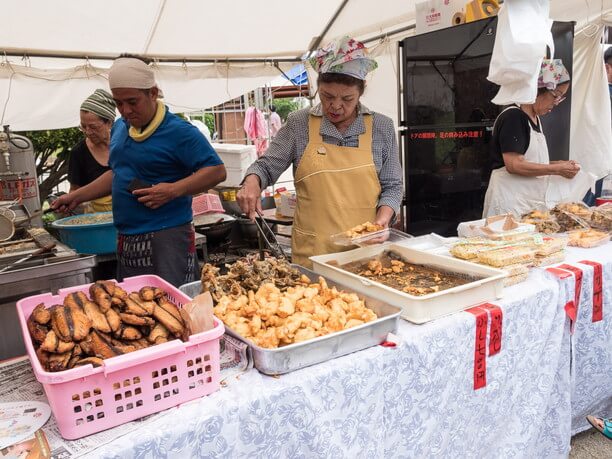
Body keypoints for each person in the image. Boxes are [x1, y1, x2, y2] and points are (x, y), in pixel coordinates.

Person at [52, 56, 226, 286]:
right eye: (119, 103)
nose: (125, 110)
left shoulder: (179, 132)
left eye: (133, 102)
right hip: (127, 237)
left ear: (152, 93)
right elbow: (118, 173)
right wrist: (76, 196)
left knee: (173, 306)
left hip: (168, 236)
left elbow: (217, 171)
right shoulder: (121, 129)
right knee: (136, 306)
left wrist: (173, 190)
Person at [237, 36, 403, 268]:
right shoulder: (299, 124)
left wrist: (382, 221)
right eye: (327, 96)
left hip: (365, 254)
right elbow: (266, 166)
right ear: (318, 89)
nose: (335, 106)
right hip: (313, 256)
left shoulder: (381, 127)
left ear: (360, 93)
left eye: (347, 99)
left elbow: (393, 186)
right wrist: (252, 181)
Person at [483, 58, 592, 218]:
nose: (556, 103)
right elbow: (514, 165)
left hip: (527, 204)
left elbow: (530, 160)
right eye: (555, 95)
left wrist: (560, 165)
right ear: (538, 88)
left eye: (560, 98)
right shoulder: (514, 117)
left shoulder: (534, 118)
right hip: (508, 204)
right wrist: (556, 169)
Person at [68, 89, 117, 213]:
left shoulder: (125, 144)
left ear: (109, 123)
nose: (88, 132)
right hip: (96, 219)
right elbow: (74, 190)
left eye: (93, 127)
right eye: (83, 126)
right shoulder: (78, 153)